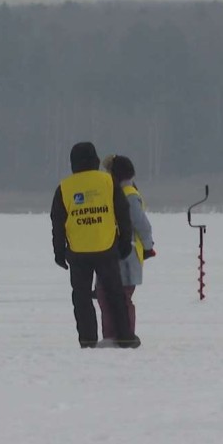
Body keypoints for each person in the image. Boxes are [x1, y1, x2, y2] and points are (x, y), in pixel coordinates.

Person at [51, 142, 139, 348]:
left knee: (81, 298)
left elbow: (57, 223)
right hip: (106, 247)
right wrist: (125, 242)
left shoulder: (64, 187)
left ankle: (87, 339)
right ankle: (125, 337)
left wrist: (58, 252)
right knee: (115, 294)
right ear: (95, 160)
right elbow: (123, 214)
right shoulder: (108, 182)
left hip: (77, 251)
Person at [94, 155, 155, 341]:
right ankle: (113, 336)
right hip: (115, 254)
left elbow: (142, 224)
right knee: (107, 296)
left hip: (127, 257)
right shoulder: (119, 193)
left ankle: (124, 335)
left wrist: (147, 246)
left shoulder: (128, 195)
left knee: (121, 297)